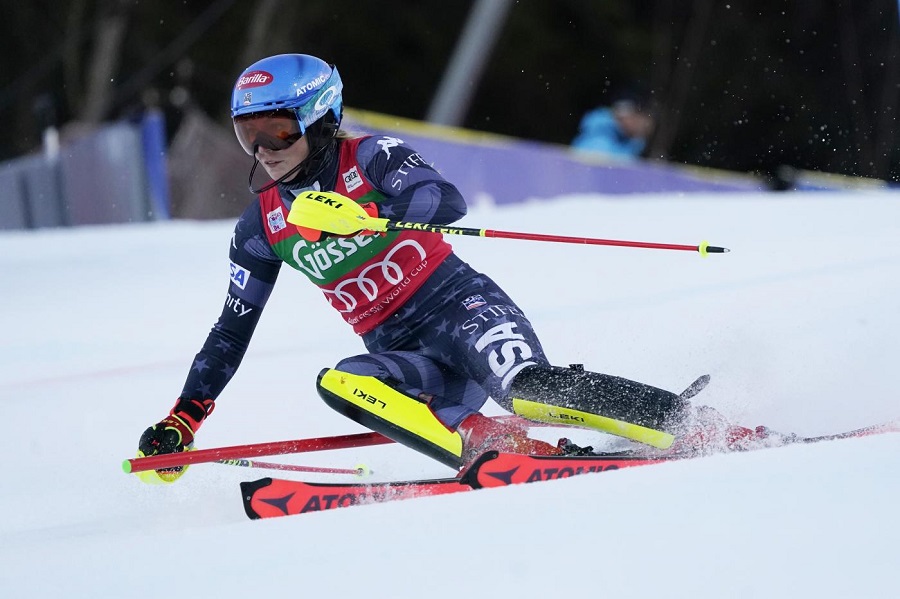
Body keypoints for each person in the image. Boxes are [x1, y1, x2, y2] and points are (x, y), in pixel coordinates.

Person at [136, 54, 764, 483]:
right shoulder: (261, 226)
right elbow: (230, 331)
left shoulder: (372, 155)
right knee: (340, 382)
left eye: (277, 131)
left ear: (321, 119)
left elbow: (444, 200)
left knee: (531, 390)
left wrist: (368, 215)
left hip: (462, 311)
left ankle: (700, 427)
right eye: (249, 137)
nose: (264, 152)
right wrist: (184, 418)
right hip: (408, 357)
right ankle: (494, 445)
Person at [571, 93, 655, 159]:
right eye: (635, 119)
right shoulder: (600, 138)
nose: (638, 125)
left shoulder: (624, 142)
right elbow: (612, 167)